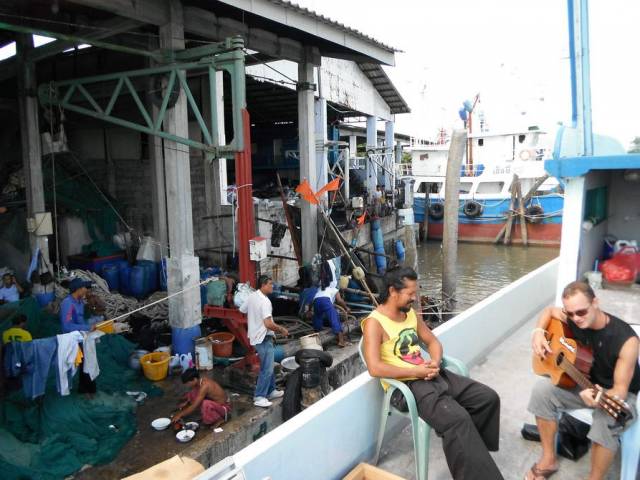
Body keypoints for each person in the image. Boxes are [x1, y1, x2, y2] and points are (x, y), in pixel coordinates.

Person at [362, 267, 503, 480]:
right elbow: (375, 367)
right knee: (458, 420)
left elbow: (432, 341)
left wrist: (435, 362)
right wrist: (415, 371)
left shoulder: (409, 314)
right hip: (406, 386)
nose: (414, 297)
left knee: (487, 398)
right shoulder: (375, 323)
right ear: (393, 291)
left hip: (428, 374)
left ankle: (475, 455)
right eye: (410, 293)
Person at [526, 281, 639, 480]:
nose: (575, 319)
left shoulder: (626, 340)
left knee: (605, 420)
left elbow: (621, 390)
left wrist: (600, 396)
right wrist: (538, 333)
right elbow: (549, 311)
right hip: (584, 381)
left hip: (616, 395)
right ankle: (549, 458)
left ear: (595, 302)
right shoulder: (572, 317)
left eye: (581, 312)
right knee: (542, 392)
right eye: (570, 314)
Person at [240, 275, 289, 408]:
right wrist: (281, 329)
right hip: (263, 337)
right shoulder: (265, 301)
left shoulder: (252, 296)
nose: (272, 286)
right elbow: (268, 323)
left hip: (255, 336)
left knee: (269, 364)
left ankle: (271, 390)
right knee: (266, 368)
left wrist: (254, 317)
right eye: (270, 284)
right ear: (263, 285)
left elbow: (242, 309)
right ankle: (259, 396)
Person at [59, 278, 98, 394]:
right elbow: (66, 326)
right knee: (84, 363)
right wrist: (87, 328)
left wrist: (89, 327)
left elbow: (80, 321)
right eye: (85, 288)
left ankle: (84, 388)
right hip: (72, 340)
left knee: (86, 363)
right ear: (78, 289)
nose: (87, 290)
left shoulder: (80, 301)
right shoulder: (68, 303)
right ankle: (88, 390)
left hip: (82, 337)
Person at [312, 276, 351, 348]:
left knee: (317, 318)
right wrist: (346, 308)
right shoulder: (334, 289)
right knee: (334, 317)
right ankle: (341, 341)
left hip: (315, 301)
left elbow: (316, 298)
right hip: (325, 300)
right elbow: (339, 300)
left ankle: (317, 338)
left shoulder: (320, 289)